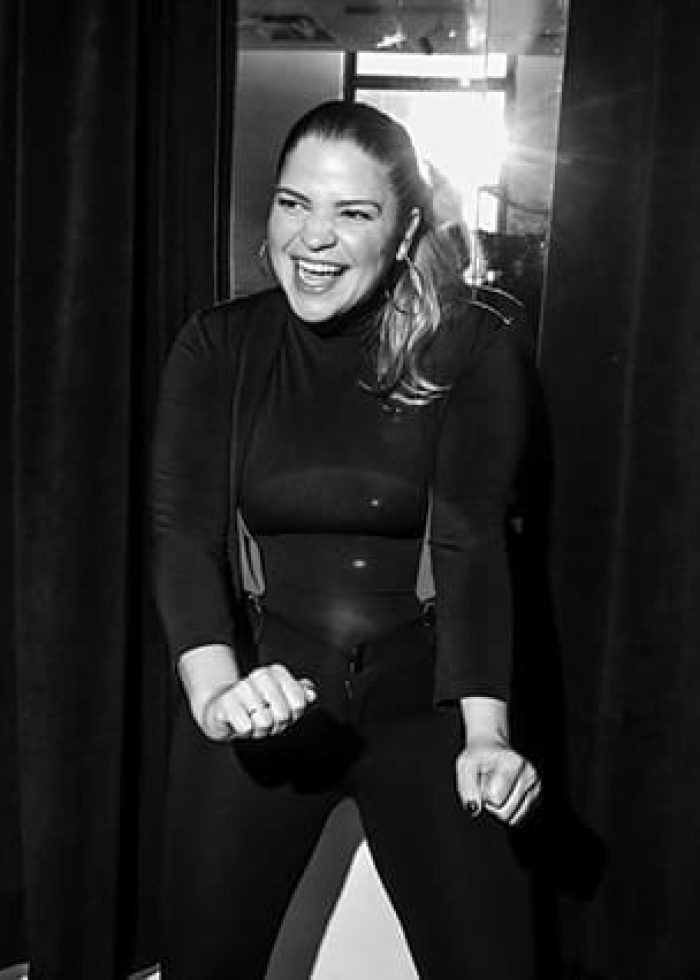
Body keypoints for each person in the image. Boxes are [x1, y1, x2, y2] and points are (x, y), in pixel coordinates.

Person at [152, 99, 541, 979]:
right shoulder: (219, 345)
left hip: (426, 711)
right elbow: (182, 533)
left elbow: (475, 538)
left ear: (403, 231)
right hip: (264, 694)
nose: (312, 238)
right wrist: (218, 695)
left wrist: (487, 733)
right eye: (294, 204)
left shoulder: (473, 343)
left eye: (352, 212)